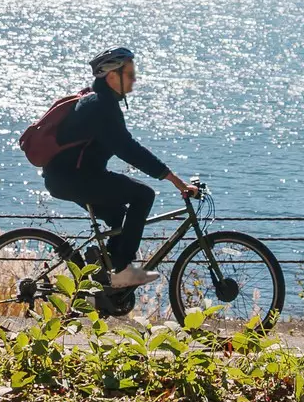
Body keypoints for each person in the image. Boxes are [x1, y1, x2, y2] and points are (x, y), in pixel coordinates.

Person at [43, 46, 200, 289]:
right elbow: (127, 148)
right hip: (75, 178)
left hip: (71, 177)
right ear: (112, 76)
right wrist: (174, 179)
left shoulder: (100, 102)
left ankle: (101, 277)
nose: (135, 78)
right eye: (130, 73)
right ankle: (123, 271)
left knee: (118, 217)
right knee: (143, 195)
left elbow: (122, 146)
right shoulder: (101, 106)